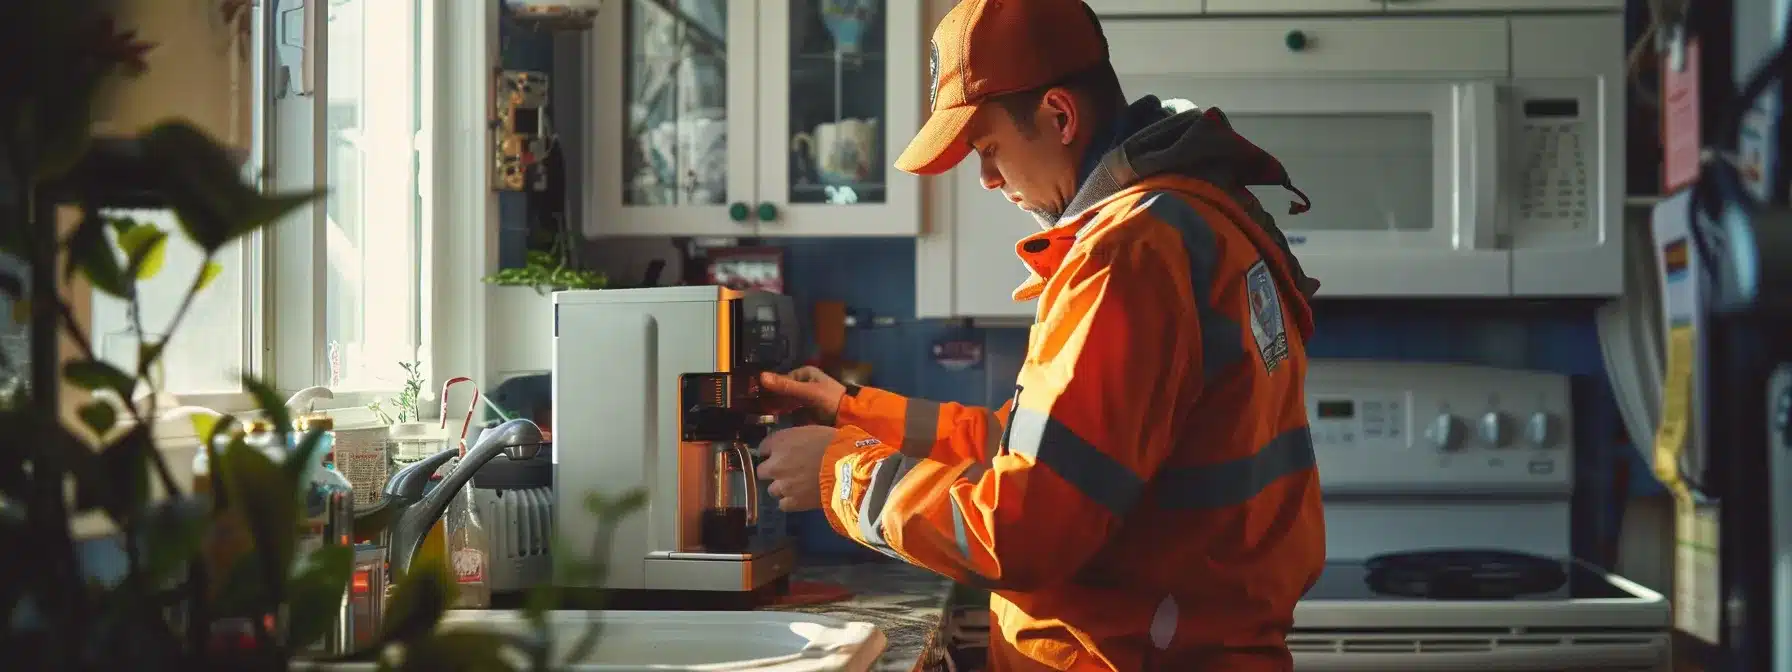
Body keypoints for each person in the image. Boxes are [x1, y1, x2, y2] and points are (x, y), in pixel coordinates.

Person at [754, 0, 1326, 669]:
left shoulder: (1126, 255)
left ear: (1059, 114)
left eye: (989, 148)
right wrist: (851, 411)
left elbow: (1021, 531)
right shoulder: (1193, 223)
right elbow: (1032, 449)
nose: (989, 179)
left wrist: (839, 474)